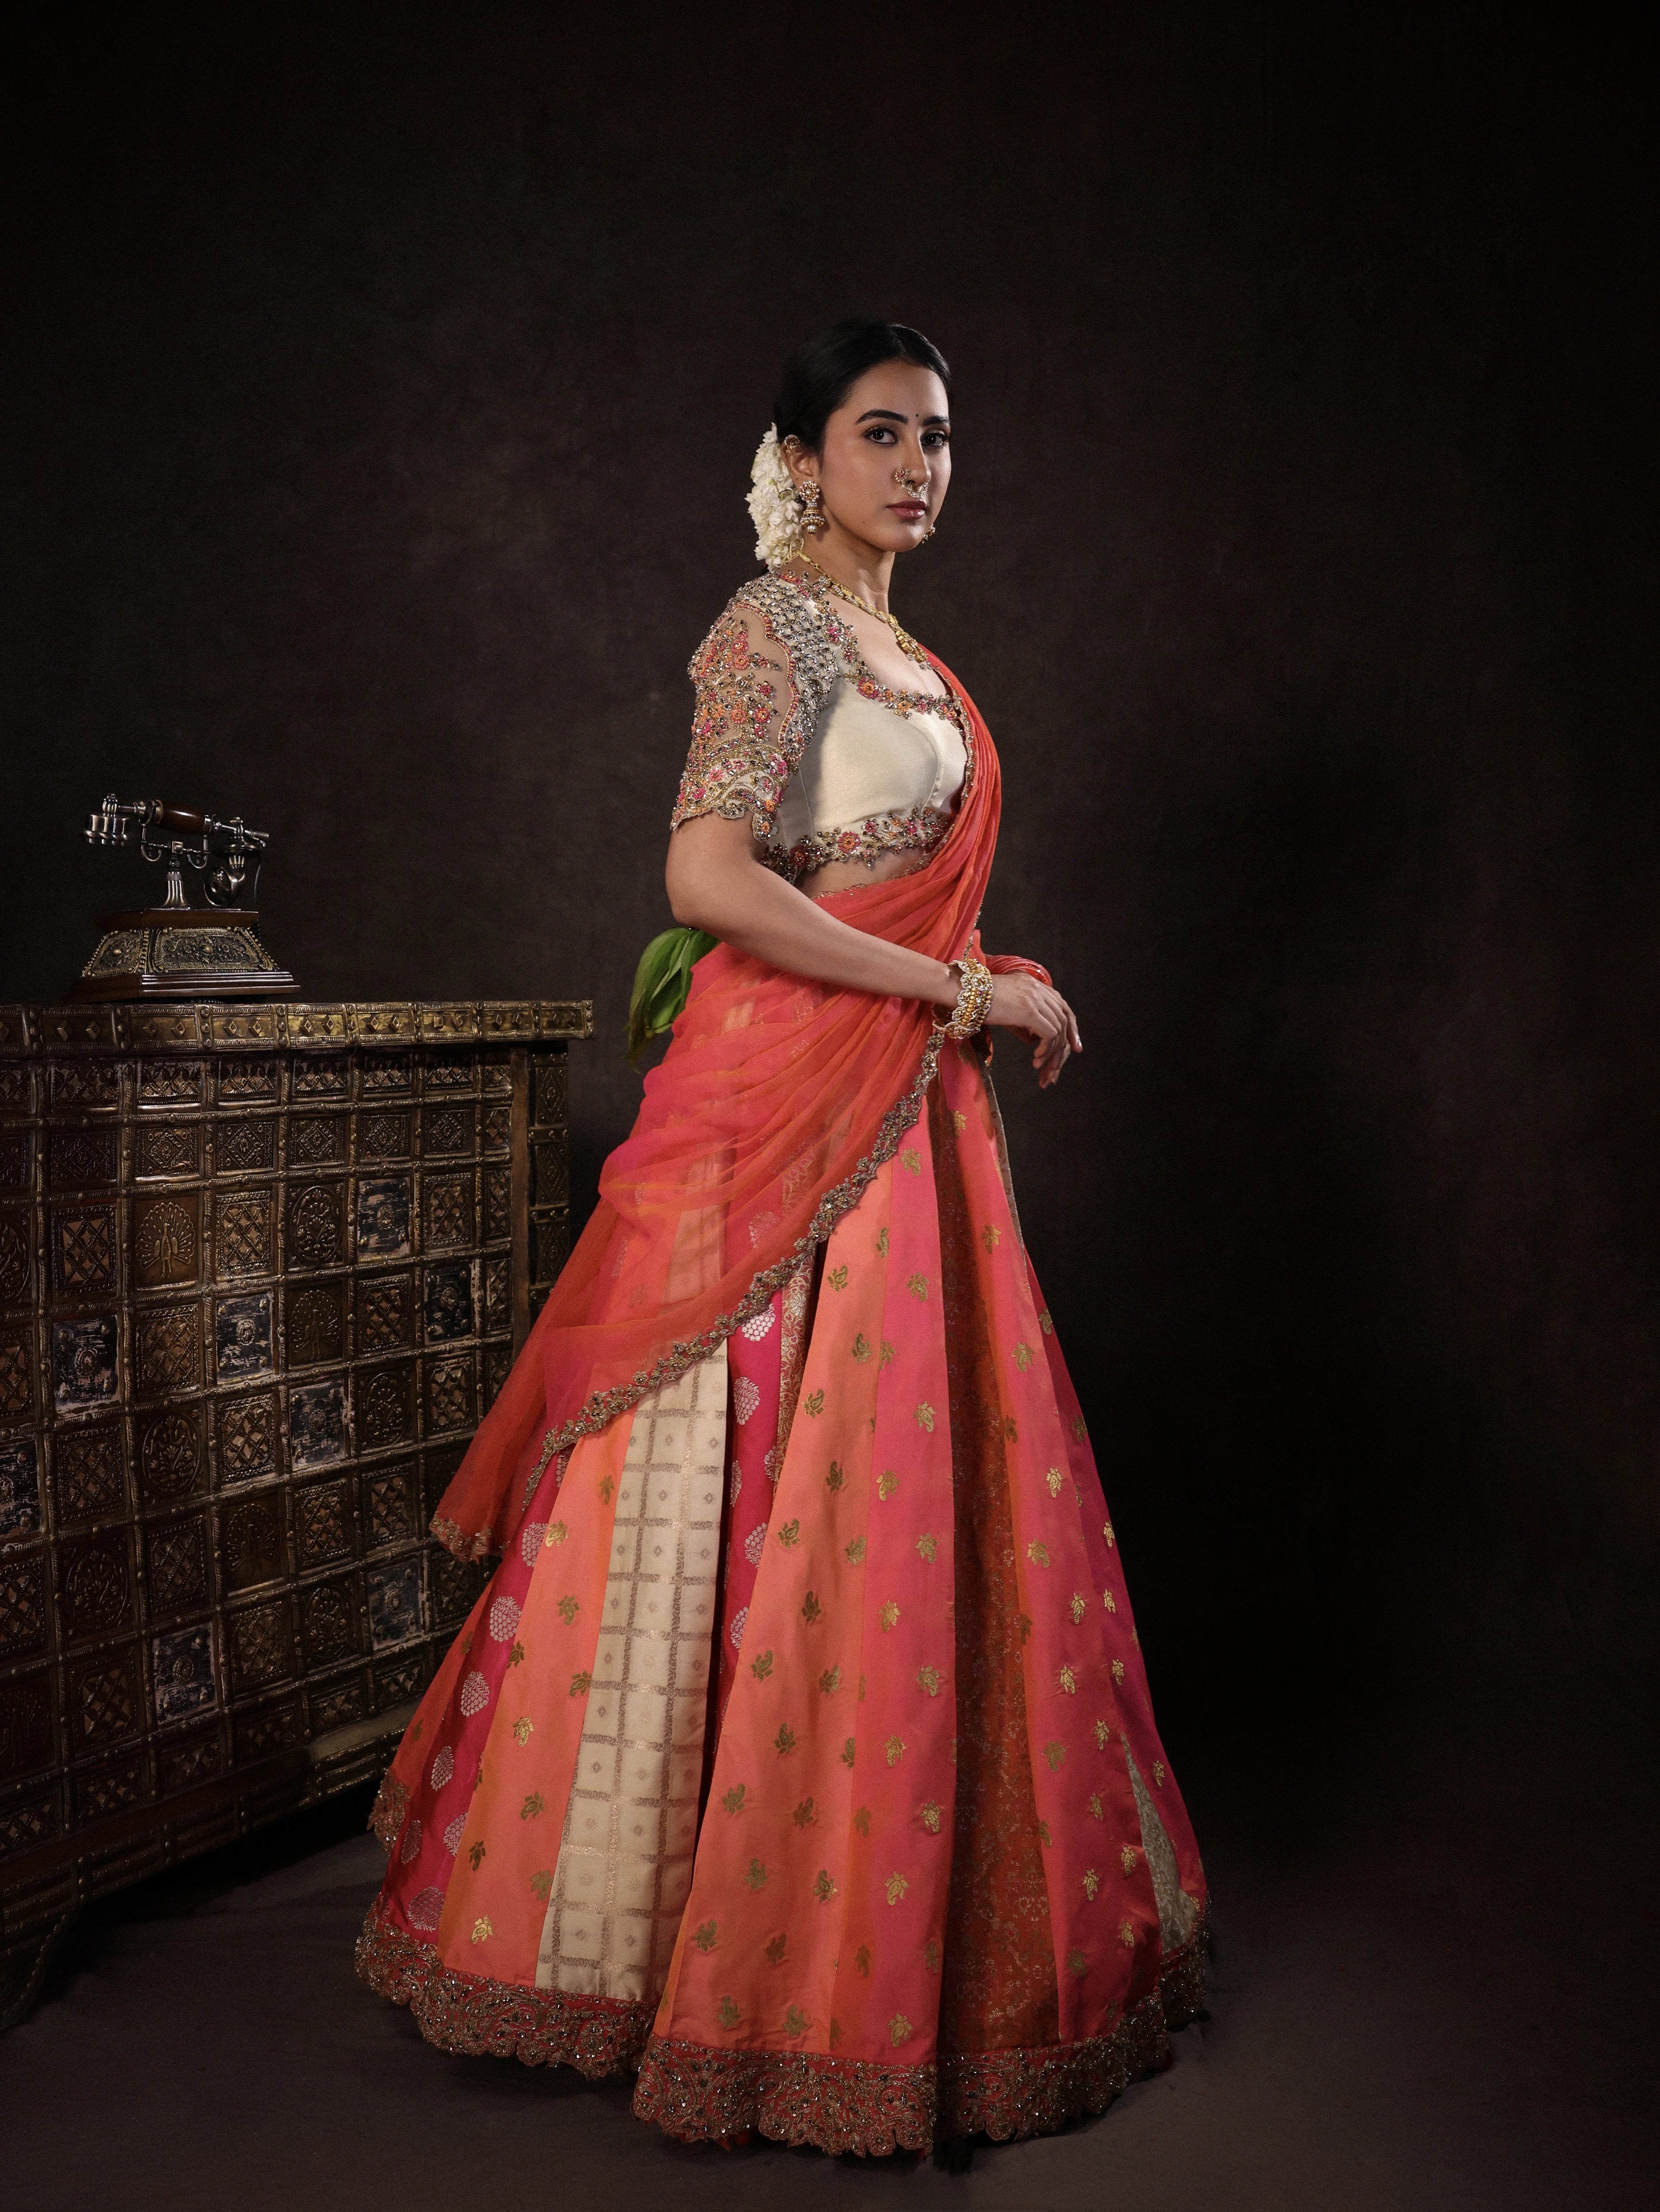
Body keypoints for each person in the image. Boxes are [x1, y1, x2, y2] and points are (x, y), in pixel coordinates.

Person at [356, 319, 1208, 2155]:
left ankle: (853, 1944)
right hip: (786, 1123)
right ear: (802, 455)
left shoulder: (913, 652)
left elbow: (860, 887)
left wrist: (975, 990)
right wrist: (958, 985)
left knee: (890, 1514)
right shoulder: (775, 629)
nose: (920, 466)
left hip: (905, 1126)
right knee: (725, 1493)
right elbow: (710, 876)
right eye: (882, 433)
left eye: (942, 439)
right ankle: (643, 1948)